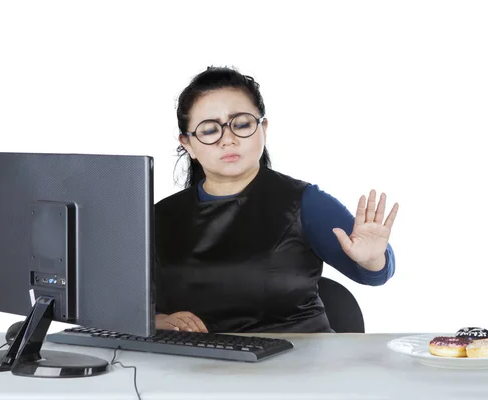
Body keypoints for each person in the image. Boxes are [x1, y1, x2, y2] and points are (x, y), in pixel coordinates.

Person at [154, 66, 399, 334]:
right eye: (210, 130)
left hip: (299, 365)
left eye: (242, 124)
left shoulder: (304, 202)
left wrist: (373, 259)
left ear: (263, 128)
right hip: (197, 367)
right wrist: (155, 322)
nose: (228, 139)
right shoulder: (158, 217)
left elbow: (374, 274)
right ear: (187, 143)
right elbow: (121, 305)